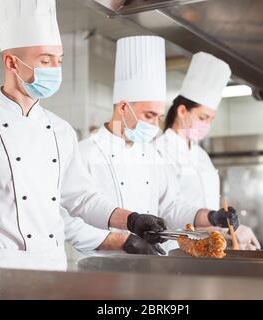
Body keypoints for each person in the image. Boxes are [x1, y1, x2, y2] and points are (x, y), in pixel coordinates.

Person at [0, 0, 166, 284]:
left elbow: (81, 198)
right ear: (11, 62)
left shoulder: (61, 130)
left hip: (53, 270)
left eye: (59, 60)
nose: (55, 69)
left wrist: (131, 219)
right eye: (45, 60)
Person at [76, 36, 242, 253]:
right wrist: (123, 242)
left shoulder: (151, 154)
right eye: (149, 115)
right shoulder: (85, 153)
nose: (155, 125)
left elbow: (171, 205)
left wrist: (209, 215)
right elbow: (70, 220)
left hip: (151, 263)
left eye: (158, 116)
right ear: (124, 107)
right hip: (102, 268)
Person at [156, 52, 261, 250]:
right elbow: (169, 211)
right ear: (182, 111)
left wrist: (228, 232)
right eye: (203, 117)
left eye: (210, 120)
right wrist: (213, 218)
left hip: (207, 250)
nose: (206, 125)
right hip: (174, 252)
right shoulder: (159, 152)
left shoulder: (201, 156)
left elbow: (209, 214)